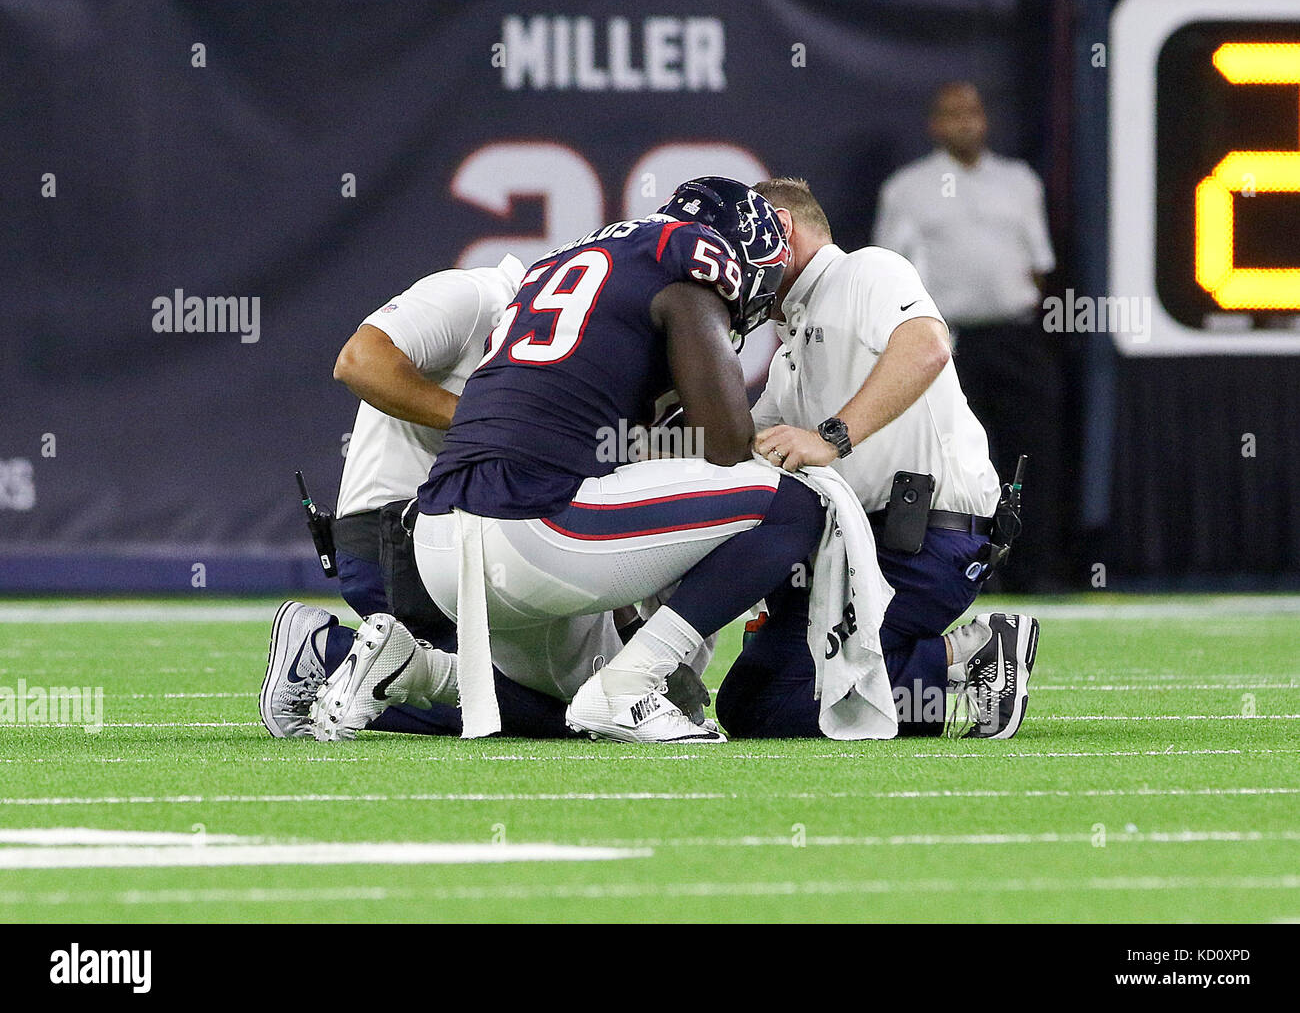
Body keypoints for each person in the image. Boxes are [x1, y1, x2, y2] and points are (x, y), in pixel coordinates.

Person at [310, 177, 829, 744]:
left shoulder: (559, 268)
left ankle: (413, 667)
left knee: (565, 715)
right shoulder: (689, 269)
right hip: (532, 528)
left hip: (438, 544)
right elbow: (727, 446)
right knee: (796, 504)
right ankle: (632, 687)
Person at [714, 176, 1039, 740]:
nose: (728, 270)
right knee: (746, 701)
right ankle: (939, 663)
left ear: (780, 230)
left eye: (734, 245)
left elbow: (927, 347)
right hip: (857, 552)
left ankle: (964, 657)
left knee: (789, 703)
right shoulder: (795, 337)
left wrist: (831, 437)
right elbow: (743, 445)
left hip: (922, 539)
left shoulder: (864, 270)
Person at [260, 255, 579, 740]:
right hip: (397, 537)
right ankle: (325, 655)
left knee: (567, 706)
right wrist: (484, 424)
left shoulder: (539, 327)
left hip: (450, 536)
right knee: (550, 715)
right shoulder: (477, 296)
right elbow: (358, 362)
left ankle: (341, 664)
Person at [872, 82, 1065, 591]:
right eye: (953, 115)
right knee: (953, 461)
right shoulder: (908, 188)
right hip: (947, 346)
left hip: (1016, 340)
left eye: (974, 112)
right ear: (935, 125)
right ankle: (964, 573)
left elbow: (1040, 266)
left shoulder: (1019, 181)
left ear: (986, 119)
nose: (966, 123)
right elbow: (891, 273)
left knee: (1029, 456)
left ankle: (1034, 573)